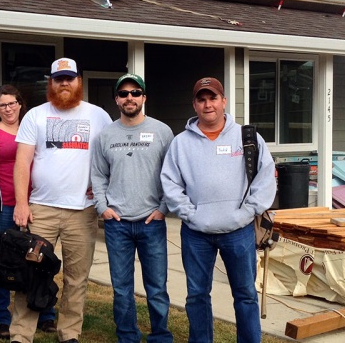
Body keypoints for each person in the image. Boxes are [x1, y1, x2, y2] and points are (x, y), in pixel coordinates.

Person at [160, 77, 276, 343]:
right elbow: (170, 183)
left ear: (223, 101)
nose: (207, 104)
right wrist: (189, 213)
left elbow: (265, 178)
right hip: (196, 234)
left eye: (213, 98)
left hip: (239, 232)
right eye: (201, 99)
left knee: (245, 294)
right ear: (194, 104)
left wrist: (247, 213)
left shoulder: (247, 137)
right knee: (197, 295)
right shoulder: (181, 143)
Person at [11, 57, 112, 343]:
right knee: (32, 272)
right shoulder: (36, 115)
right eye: (59, 79)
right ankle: (21, 334)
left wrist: (102, 188)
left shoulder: (98, 116)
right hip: (41, 209)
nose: (64, 83)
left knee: (77, 278)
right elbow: (22, 163)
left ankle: (69, 333)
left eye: (70, 78)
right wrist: (21, 203)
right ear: (51, 83)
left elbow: (109, 158)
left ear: (79, 81)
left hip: (82, 211)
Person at [90, 74, 174, 343]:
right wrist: (102, 207)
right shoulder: (105, 135)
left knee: (157, 288)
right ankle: (127, 336)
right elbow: (99, 175)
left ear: (144, 98)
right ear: (116, 99)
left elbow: (172, 175)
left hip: (152, 222)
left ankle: (160, 335)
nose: (130, 98)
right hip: (118, 224)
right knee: (122, 288)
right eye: (124, 93)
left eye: (135, 93)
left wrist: (163, 208)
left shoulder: (162, 132)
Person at [0, 85, 57, 340]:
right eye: (2, 105)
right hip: (3, 208)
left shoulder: (34, 127)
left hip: (37, 204)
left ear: (21, 104)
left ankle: (45, 313)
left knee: (39, 261)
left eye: (12, 103)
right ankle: (1, 317)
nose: (8, 109)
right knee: (2, 262)